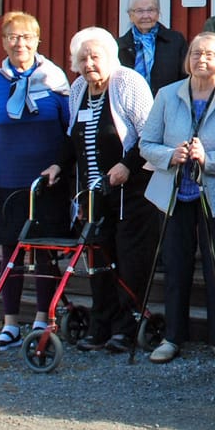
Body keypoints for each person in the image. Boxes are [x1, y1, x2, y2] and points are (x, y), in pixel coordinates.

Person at [140, 31, 215, 363]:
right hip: (174, 195)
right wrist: (169, 154)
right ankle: (173, 337)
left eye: (209, 54)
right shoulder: (165, 95)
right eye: (195, 53)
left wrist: (210, 159)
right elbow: (146, 143)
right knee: (175, 267)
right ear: (187, 59)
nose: (201, 59)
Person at [51, 26, 157, 353]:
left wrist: (128, 164)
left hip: (131, 194)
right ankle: (101, 325)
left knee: (128, 261)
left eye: (95, 56)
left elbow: (150, 134)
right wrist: (59, 165)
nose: (89, 63)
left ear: (110, 57)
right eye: (82, 58)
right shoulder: (79, 87)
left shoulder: (128, 82)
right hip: (95, 195)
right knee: (98, 261)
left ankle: (127, 327)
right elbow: (74, 138)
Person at [0, 11, 72, 350]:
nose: (20, 43)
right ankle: (11, 323)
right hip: (7, 181)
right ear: (3, 42)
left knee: (45, 253)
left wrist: (61, 167)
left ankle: (43, 320)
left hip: (48, 181)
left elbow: (69, 131)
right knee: (11, 253)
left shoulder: (56, 79)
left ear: (37, 41)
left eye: (27, 37)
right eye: (13, 37)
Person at [118, 0, 188, 94]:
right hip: (129, 105)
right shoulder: (120, 46)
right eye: (139, 11)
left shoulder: (175, 41)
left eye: (151, 10)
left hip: (167, 104)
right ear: (130, 15)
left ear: (158, 13)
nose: (145, 16)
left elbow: (186, 77)